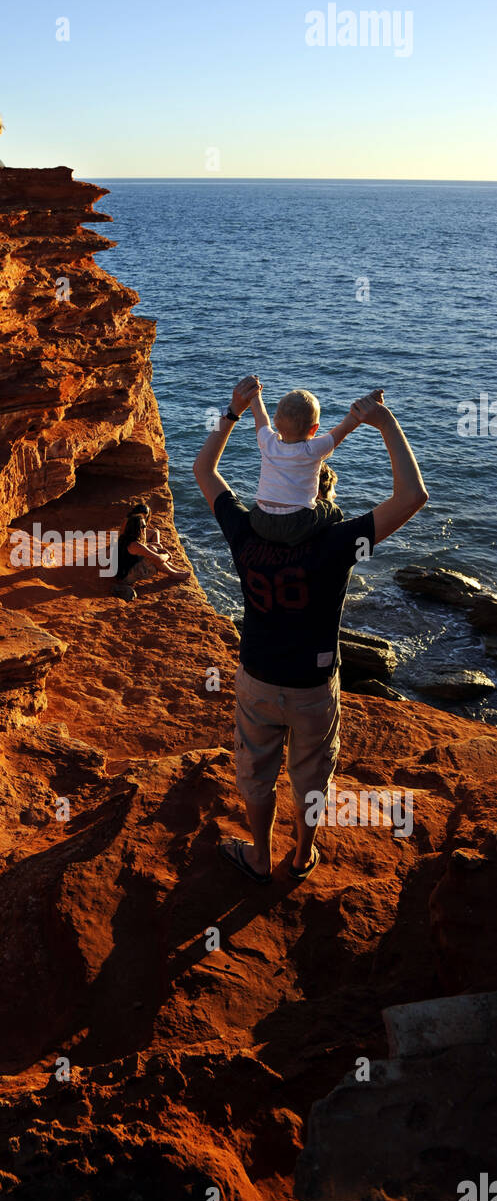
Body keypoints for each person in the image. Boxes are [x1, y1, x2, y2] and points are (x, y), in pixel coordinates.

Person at [193, 377, 428, 885]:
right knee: (311, 776)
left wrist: (234, 413)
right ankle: (302, 856)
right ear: (323, 488)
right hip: (313, 686)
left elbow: (203, 470)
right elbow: (412, 496)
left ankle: (259, 857)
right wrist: (382, 421)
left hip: (257, 675)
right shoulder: (338, 542)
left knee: (256, 773)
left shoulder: (244, 529)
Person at [247, 383, 382, 545]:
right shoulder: (314, 449)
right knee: (332, 510)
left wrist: (255, 395)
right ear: (314, 429)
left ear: (276, 423)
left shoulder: (267, 442)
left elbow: (260, 415)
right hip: (298, 523)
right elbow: (346, 426)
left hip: (260, 519)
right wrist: (370, 401)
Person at [111, 504, 188, 600]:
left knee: (153, 549)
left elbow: (146, 547)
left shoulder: (128, 539)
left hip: (121, 573)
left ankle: (175, 570)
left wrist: (159, 549)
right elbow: (158, 558)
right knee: (153, 557)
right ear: (137, 528)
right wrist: (167, 555)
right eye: (143, 526)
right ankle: (174, 574)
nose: (145, 527)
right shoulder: (136, 545)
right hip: (125, 578)